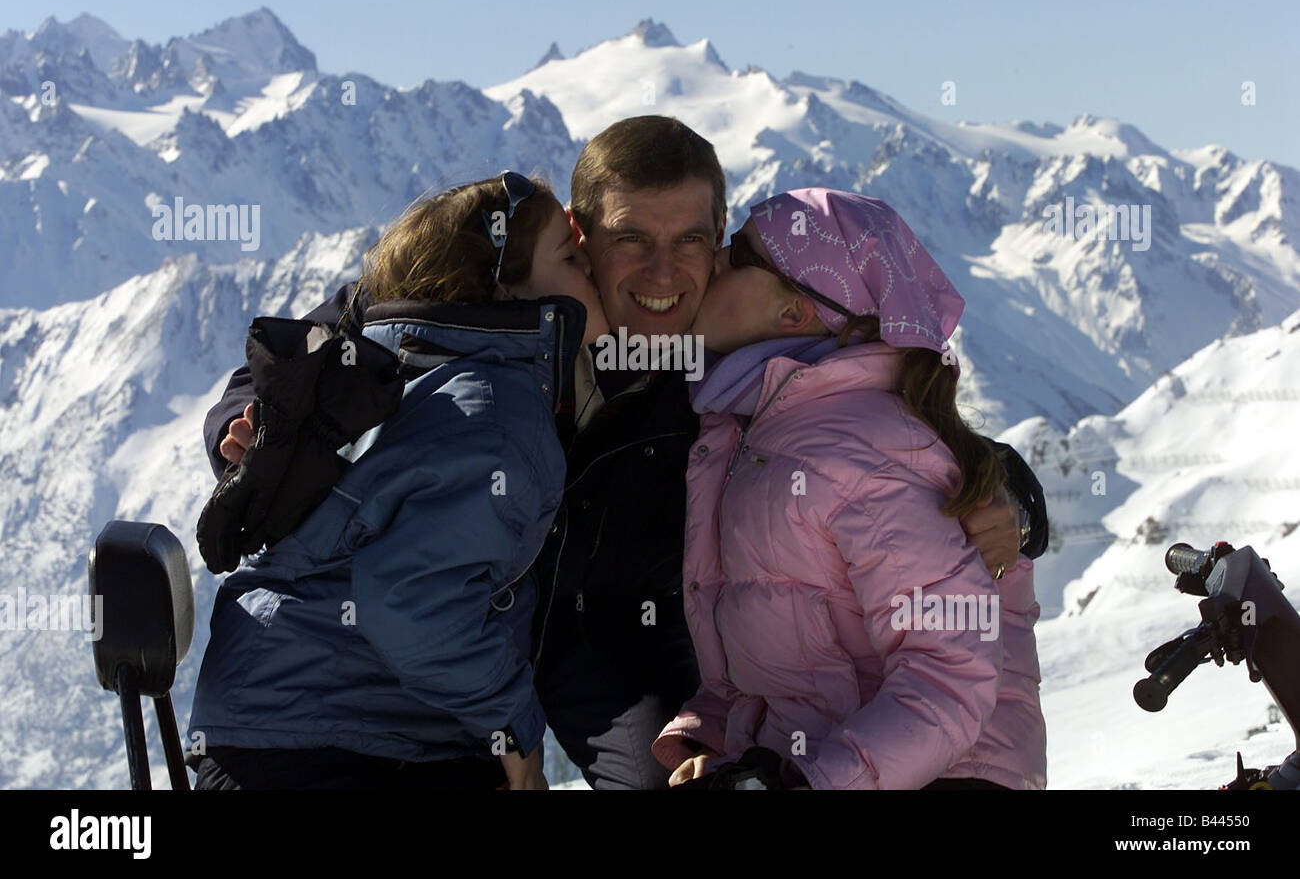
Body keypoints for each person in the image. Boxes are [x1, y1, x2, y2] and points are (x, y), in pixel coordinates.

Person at [204, 115, 1049, 789]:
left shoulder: (729, 350)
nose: (665, 271)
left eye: (692, 242)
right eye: (631, 238)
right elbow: (315, 352)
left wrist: (1004, 491)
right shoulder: (484, 288)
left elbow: (884, 414)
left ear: (721, 244)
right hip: (442, 644)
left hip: (627, 641)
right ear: (579, 235)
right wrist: (244, 425)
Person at [187, 172, 607, 789]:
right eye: (571, 258)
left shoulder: (382, 372)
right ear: (506, 289)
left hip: (263, 723)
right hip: (345, 748)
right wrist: (516, 732)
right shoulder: (496, 412)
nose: (591, 269)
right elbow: (409, 605)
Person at [652, 189, 1048, 789]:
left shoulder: (861, 451)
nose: (714, 263)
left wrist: (804, 783)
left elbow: (947, 674)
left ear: (794, 313)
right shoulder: (755, 426)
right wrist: (723, 742)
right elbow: (798, 642)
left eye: (737, 254)